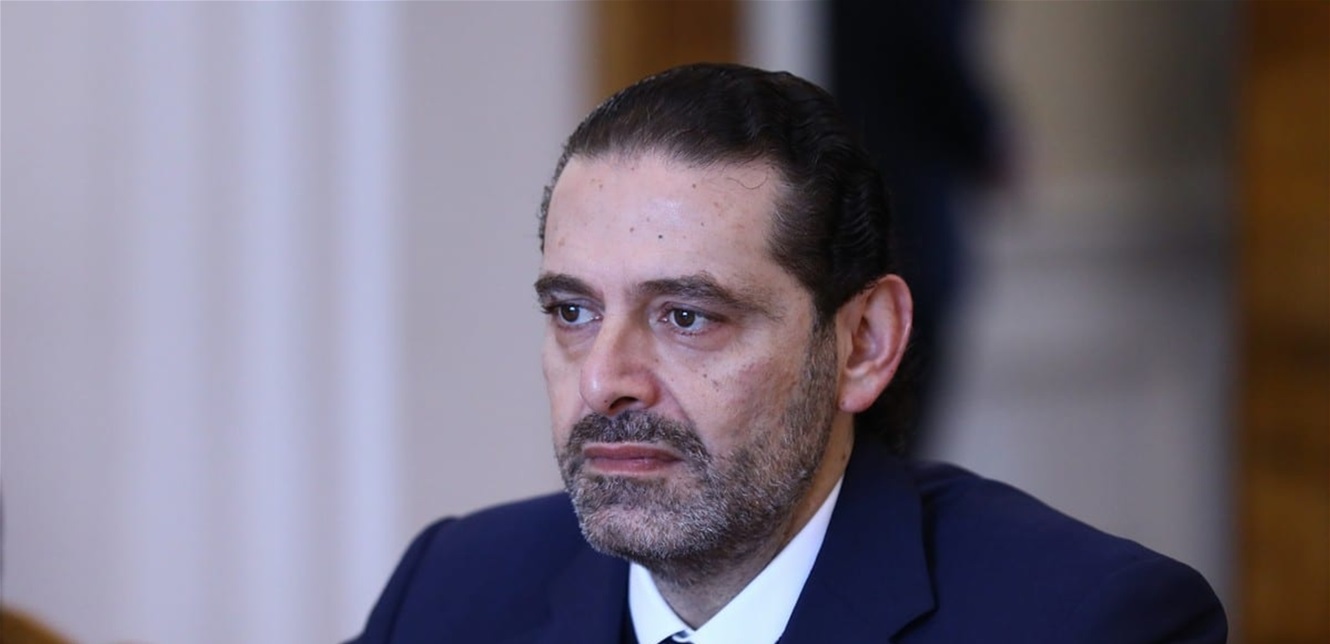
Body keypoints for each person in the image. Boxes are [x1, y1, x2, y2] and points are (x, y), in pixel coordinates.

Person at [352, 63, 1225, 643]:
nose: (605, 381)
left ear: (864, 343)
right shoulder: (450, 594)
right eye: (574, 311)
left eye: (686, 316)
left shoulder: (1088, 624)